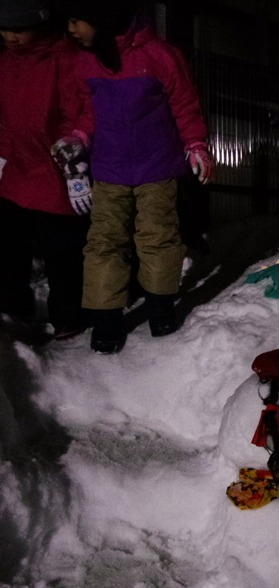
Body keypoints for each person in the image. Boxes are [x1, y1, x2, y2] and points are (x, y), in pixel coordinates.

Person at [62, 0, 213, 353]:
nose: (71, 29)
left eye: (77, 20)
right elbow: (86, 110)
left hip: (157, 167)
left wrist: (195, 144)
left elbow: (184, 104)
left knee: (158, 237)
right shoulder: (85, 61)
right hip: (108, 168)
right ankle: (106, 319)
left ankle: (160, 309)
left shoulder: (159, 54)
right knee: (104, 242)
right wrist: (79, 137)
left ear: (102, 17)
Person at [0, 0, 90, 341]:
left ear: (38, 25)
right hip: (17, 166)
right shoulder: (6, 62)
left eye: (19, 30)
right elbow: (5, 118)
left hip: (55, 166)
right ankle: (13, 311)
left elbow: (75, 109)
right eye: (4, 29)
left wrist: (71, 155)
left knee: (62, 248)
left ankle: (69, 317)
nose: (10, 37)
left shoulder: (64, 58)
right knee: (9, 245)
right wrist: (2, 156)